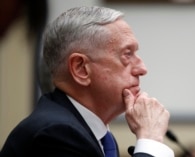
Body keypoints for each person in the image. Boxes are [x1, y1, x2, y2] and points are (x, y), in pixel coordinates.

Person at [0, 6, 174, 157]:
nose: (142, 68)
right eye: (127, 54)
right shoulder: (56, 135)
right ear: (81, 69)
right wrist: (150, 140)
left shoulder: (91, 133)